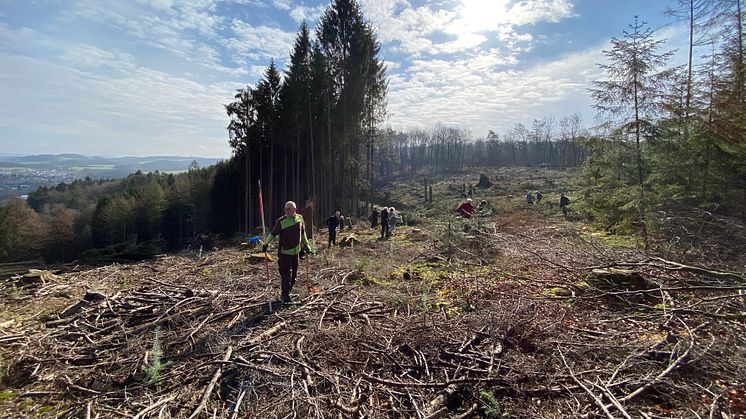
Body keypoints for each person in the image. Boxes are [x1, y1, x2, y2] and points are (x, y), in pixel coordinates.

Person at [262, 201, 313, 303]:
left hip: (296, 253)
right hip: (284, 254)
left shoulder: (300, 218)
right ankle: (285, 296)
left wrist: (307, 246)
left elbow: (303, 234)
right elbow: (272, 234)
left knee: (294, 276)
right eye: (286, 209)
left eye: (289, 209)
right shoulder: (281, 221)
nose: (287, 211)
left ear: (295, 209)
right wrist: (266, 244)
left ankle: (287, 292)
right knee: (286, 276)